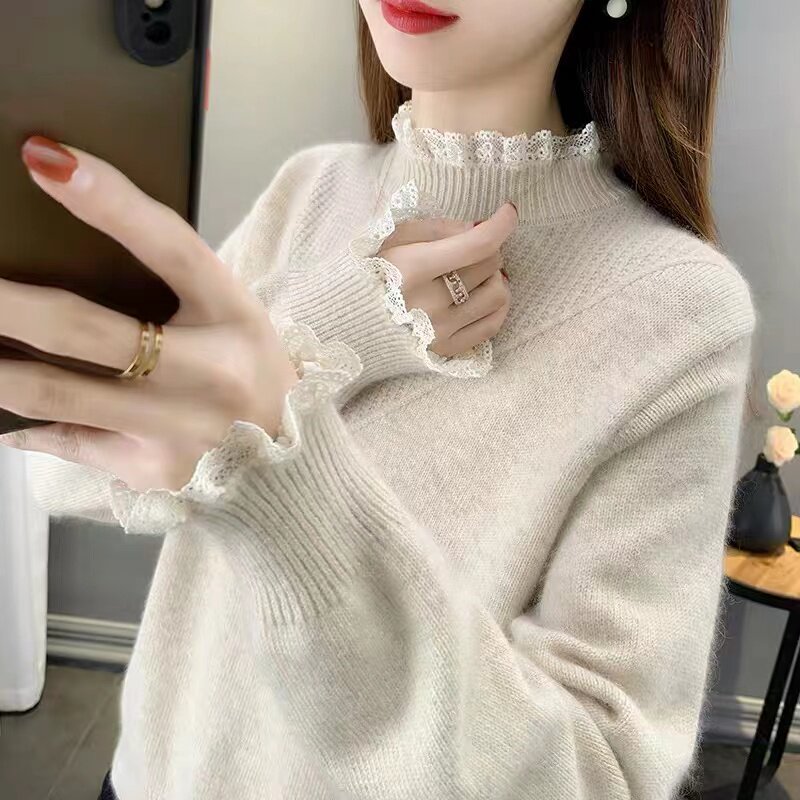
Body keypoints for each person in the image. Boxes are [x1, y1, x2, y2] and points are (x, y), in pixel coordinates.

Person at [2, 0, 757, 797]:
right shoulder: (311, 189)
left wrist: (278, 471)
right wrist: (330, 332)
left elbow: (596, 778)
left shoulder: (679, 313)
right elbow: (62, 475)